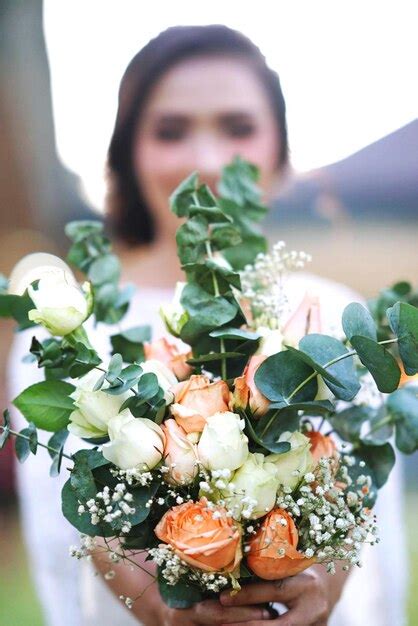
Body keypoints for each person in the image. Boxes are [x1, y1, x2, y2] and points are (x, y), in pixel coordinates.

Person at [9, 24, 406, 626]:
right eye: (170, 131)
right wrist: (157, 602)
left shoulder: (341, 324)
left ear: (279, 149)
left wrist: (321, 582)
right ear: (127, 152)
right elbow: (63, 526)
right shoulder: (66, 340)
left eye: (238, 127)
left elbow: (369, 519)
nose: (207, 161)